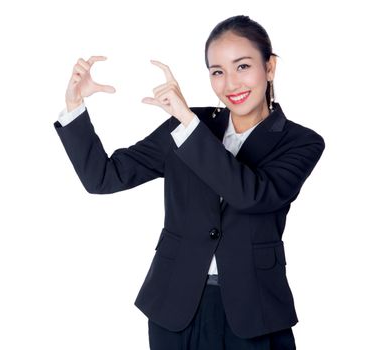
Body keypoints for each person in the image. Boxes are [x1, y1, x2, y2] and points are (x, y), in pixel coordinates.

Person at [53, 14, 325, 350]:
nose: (231, 84)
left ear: (269, 68)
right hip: (176, 306)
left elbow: (252, 195)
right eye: (217, 72)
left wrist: (187, 124)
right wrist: (74, 105)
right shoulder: (185, 127)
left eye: (243, 66)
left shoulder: (300, 142)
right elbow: (103, 177)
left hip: (256, 312)